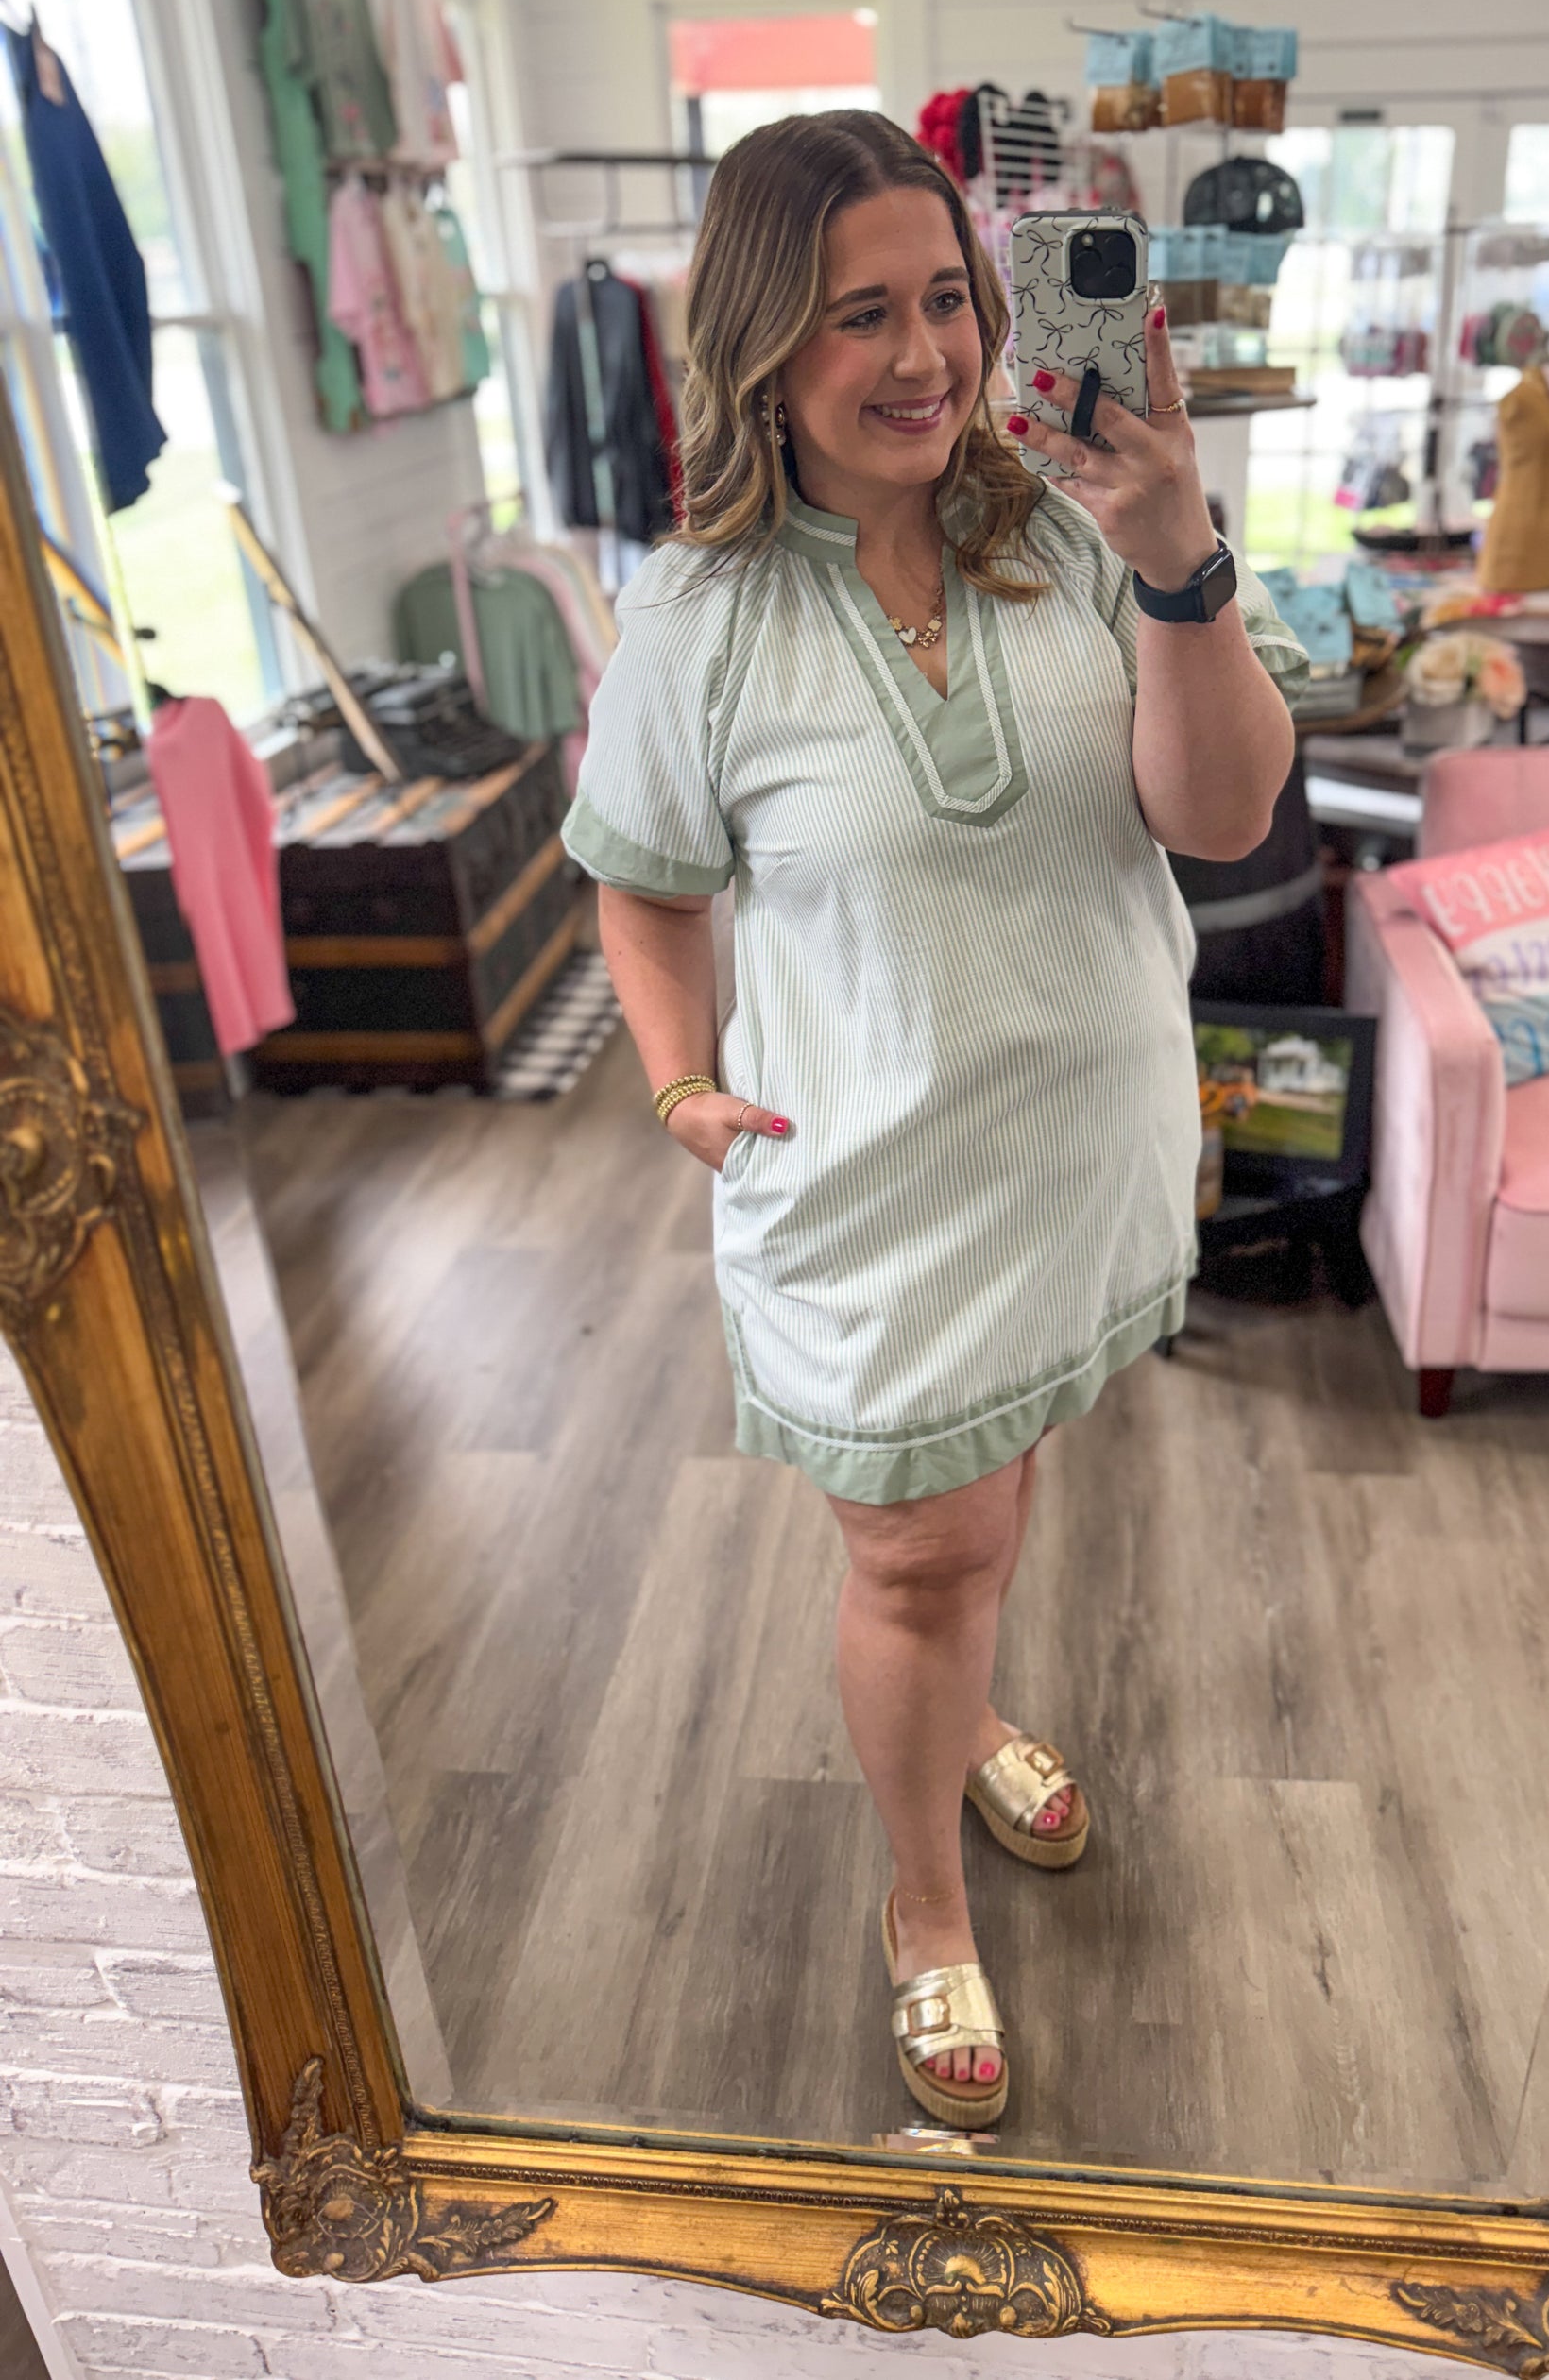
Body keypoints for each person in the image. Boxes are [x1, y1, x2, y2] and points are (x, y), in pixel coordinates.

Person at [563, 111, 1304, 2131]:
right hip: (860, 1186)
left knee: (998, 1470)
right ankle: (919, 1904)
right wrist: (679, 1079)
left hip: (1074, 1150)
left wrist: (1176, 557)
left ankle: (967, 1710)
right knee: (918, 1543)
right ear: (753, 352)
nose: (924, 358)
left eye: (948, 302)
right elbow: (641, 878)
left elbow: (1221, 818)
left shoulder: (1071, 532)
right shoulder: (699, 619)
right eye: (856, 317)